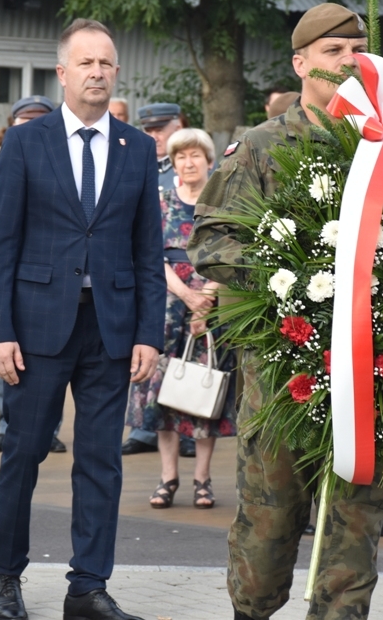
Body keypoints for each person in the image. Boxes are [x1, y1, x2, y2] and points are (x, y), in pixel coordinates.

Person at [188, 3, 383, 620]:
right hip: (285, 372)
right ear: (300, 62)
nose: (347, 62)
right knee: (269, 517)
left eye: (356, 50)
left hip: (371, 368)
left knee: (354, 524)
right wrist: (296, 280)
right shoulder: (261, 146)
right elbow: (212, 241)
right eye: (333, 51)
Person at [0, 18, 165, 620]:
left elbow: (147, 250)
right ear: (62, 73)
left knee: (101, 462)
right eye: (85, 63)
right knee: (24, 452)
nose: (96, 72)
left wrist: (147, 334)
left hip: (110, 330)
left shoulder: (136, 148)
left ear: (116, 73)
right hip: (35, 330)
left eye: (106, 63)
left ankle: (88, 587)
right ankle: (6, 576)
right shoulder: (26, 144)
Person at [125, 127, 236, 510]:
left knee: (205, 393)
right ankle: (167, 477)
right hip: (167, 302)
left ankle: (202, 479)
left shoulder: (224, 202)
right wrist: (186, 294)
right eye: (180, 158)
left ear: (209, 161)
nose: (188, 163)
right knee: (164, 396)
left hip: (214, 304)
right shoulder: (160, 201)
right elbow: (149, 254)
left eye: (195, 156)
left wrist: (205, 297)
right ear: (173, 164)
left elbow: (232, 252)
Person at [0, 95, 66, 455]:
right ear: (11, 125)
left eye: (38, 120)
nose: (30, 128)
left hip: (49, 281)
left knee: (52, 360)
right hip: (7, 278)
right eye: (23, 121)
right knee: (5, 353)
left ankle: (51, 429)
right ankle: (5, 424)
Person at [125, 101, 195, 459]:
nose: (154, 137)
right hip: (137, 269)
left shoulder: (184, 166)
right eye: (148, 130)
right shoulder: (131, 161)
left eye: (161, 129)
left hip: (177, 272)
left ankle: (186, 429)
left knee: (184, 355)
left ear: (178, 126)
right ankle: (143, 427)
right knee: (143, 347)